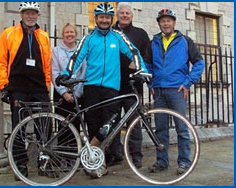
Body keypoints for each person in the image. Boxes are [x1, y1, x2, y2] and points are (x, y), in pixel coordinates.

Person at [56, 2, 147, 178]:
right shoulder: (88, 38)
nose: (104, 20)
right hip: (91, 89)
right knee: (93, 126)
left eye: (107, 17)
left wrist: (140, 69)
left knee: (110, 126)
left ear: (110, 19)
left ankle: (92, 157)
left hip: (112, 89)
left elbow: (133, 52)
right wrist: (66, 73)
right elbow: (76, 56)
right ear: (96, 19)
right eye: (101, 17)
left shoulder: (118, 37)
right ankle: (98, 164)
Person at [0, 2, 52, 180]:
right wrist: (3, 85)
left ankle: (44, 162)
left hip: (39, 88)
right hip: (18, 89)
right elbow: (1, 61)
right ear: (21, 15)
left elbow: (48, 64)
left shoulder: (43, 36)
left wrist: (47, 85)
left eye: (33, 13)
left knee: (44, 127)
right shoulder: (9, 34)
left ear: (37, 15)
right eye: (27, 13)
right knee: (18, 128)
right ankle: (20, 165)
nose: (30, 16)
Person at [146, 9, 205, 175]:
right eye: (162, 21)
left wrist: (187, 83)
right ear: (159, 24)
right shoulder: (153, 42)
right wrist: (151, 85)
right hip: (158, 91)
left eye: (168, 20)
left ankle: (184, 162)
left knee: (182, 128)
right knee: (160, 129)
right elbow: (148, 65)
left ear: (174, 23)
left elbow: (199, 63)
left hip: (177, 90)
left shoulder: (185, 41)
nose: (166, 23)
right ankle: (161, 161)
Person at [106, 2, 152, 168]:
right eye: (122, 13)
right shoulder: (109, 33)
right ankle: (115, 154)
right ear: (117, 15)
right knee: (113, 122)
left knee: (134, 122)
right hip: (112, 85)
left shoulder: (140, 34)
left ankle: (136, 155)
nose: (125, 15)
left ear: (132, 16)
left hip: (133, 86)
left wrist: (138, 65)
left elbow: (148, 56)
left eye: (128, 13)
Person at [51, 23, 85, 167]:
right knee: (62, 126)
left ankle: (74, 158)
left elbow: (84, 71)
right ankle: (63, 157)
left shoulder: (81, 50)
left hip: (78, 93)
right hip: (62, 94)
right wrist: (64, 93)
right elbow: (54, 73)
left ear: (75, 34)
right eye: (66, 32)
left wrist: (76, 93)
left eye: (72, 32)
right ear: (62, 34)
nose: (69, 34)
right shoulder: (56, 51)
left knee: (76, 126)